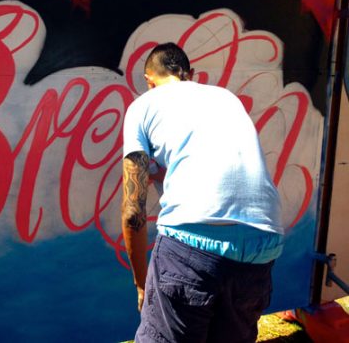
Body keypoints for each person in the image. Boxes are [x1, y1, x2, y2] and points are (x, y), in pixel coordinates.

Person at [121, 42, 284, 343]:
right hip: (264, 242)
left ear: (149, 80)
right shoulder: (226, 98)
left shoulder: (143, 106)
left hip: (191, 244)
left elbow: (133, 214)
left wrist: (142, 284)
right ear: (189, 74)